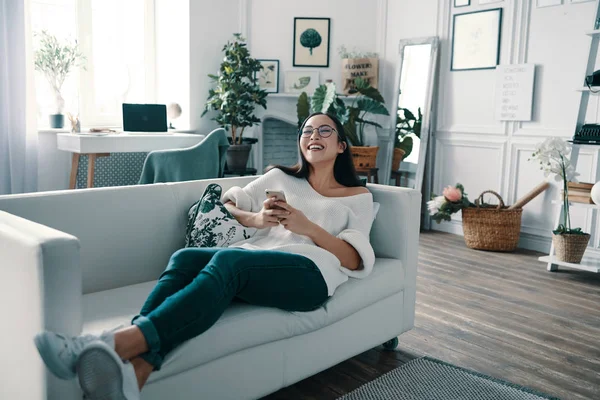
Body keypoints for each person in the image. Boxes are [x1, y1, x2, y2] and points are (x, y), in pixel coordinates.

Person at [33, 112, 376, 400]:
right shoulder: (279, 177)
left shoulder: (356, 196)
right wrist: (256, 219)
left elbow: (354, 258)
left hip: (310, 275)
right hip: (260, 261)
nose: (314, 135)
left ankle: (109, 343)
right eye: (307, 131)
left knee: (229, 261)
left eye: (324, 130)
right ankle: (136, 374)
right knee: (185, 258)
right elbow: (229, 203)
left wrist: (308, 227)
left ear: (341, 145)